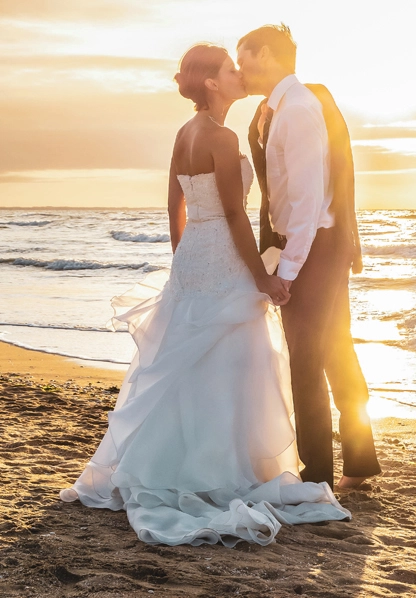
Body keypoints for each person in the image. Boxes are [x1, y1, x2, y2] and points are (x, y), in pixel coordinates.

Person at [59, 43, 350, 547]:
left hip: (196, 254)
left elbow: (175, 195)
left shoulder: (185, 132)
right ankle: (217, 465)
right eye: (230, 69)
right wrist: (261, 278)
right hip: (225, 252)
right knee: (234, 359)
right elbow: (236, 215)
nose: (240, 74)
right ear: (213, 83)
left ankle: (168, 459)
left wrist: (184, 250)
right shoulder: (220, 135)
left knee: (183, 360)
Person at [237, 24, 381, 491]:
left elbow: (306, 200)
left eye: (245, 57)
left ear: (266, 55)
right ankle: (359, 462)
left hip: (312, 244)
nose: (241, 67)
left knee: (305, 358)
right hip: (313, 243)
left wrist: (290, 270)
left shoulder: (297, 110)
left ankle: (315, 474)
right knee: (336, 348)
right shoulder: (273, 110)